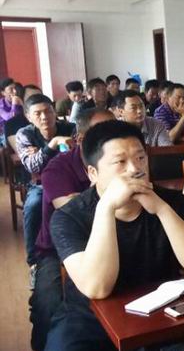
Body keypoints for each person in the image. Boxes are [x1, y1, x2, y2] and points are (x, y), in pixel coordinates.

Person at [45, 120, 184, 351]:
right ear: (93, 173)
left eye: (140, 158)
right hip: (91, 321)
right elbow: (97, 288)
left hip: (161, 312)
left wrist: (161, 208)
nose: (135, 169)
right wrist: (106, 208)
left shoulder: (174, 202)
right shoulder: (69, 217)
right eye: (120, 162)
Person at [32, 108, 114, 351]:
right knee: (48, 302)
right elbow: (70, 209)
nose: (114, 138)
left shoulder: (119, 162)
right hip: (57, 251)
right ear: (81, 139)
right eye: (104, 133)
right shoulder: (57, 168)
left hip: (112, 242)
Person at [17, 94, 76, 268]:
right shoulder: (25, 134)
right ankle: (34, 261)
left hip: (68, 181)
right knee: (34, 205)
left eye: (48, 111)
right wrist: (53, 144)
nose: (44, 117)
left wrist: (41, 153)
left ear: (54, 111)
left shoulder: (71, 128)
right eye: (37, 113)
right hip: (40, 185)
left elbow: (76, 159)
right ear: (28, 116)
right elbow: (33, 167)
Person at [0, 78, 23, 145]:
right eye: (11, 89)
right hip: (4, 135)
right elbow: (10, 119)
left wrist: (22, 104)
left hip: (21, 131)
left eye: (15, 88)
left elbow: (28, 116)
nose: (15, 91)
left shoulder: (19, 99)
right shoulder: (1, 105)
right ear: (3, 93)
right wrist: (14, 104)